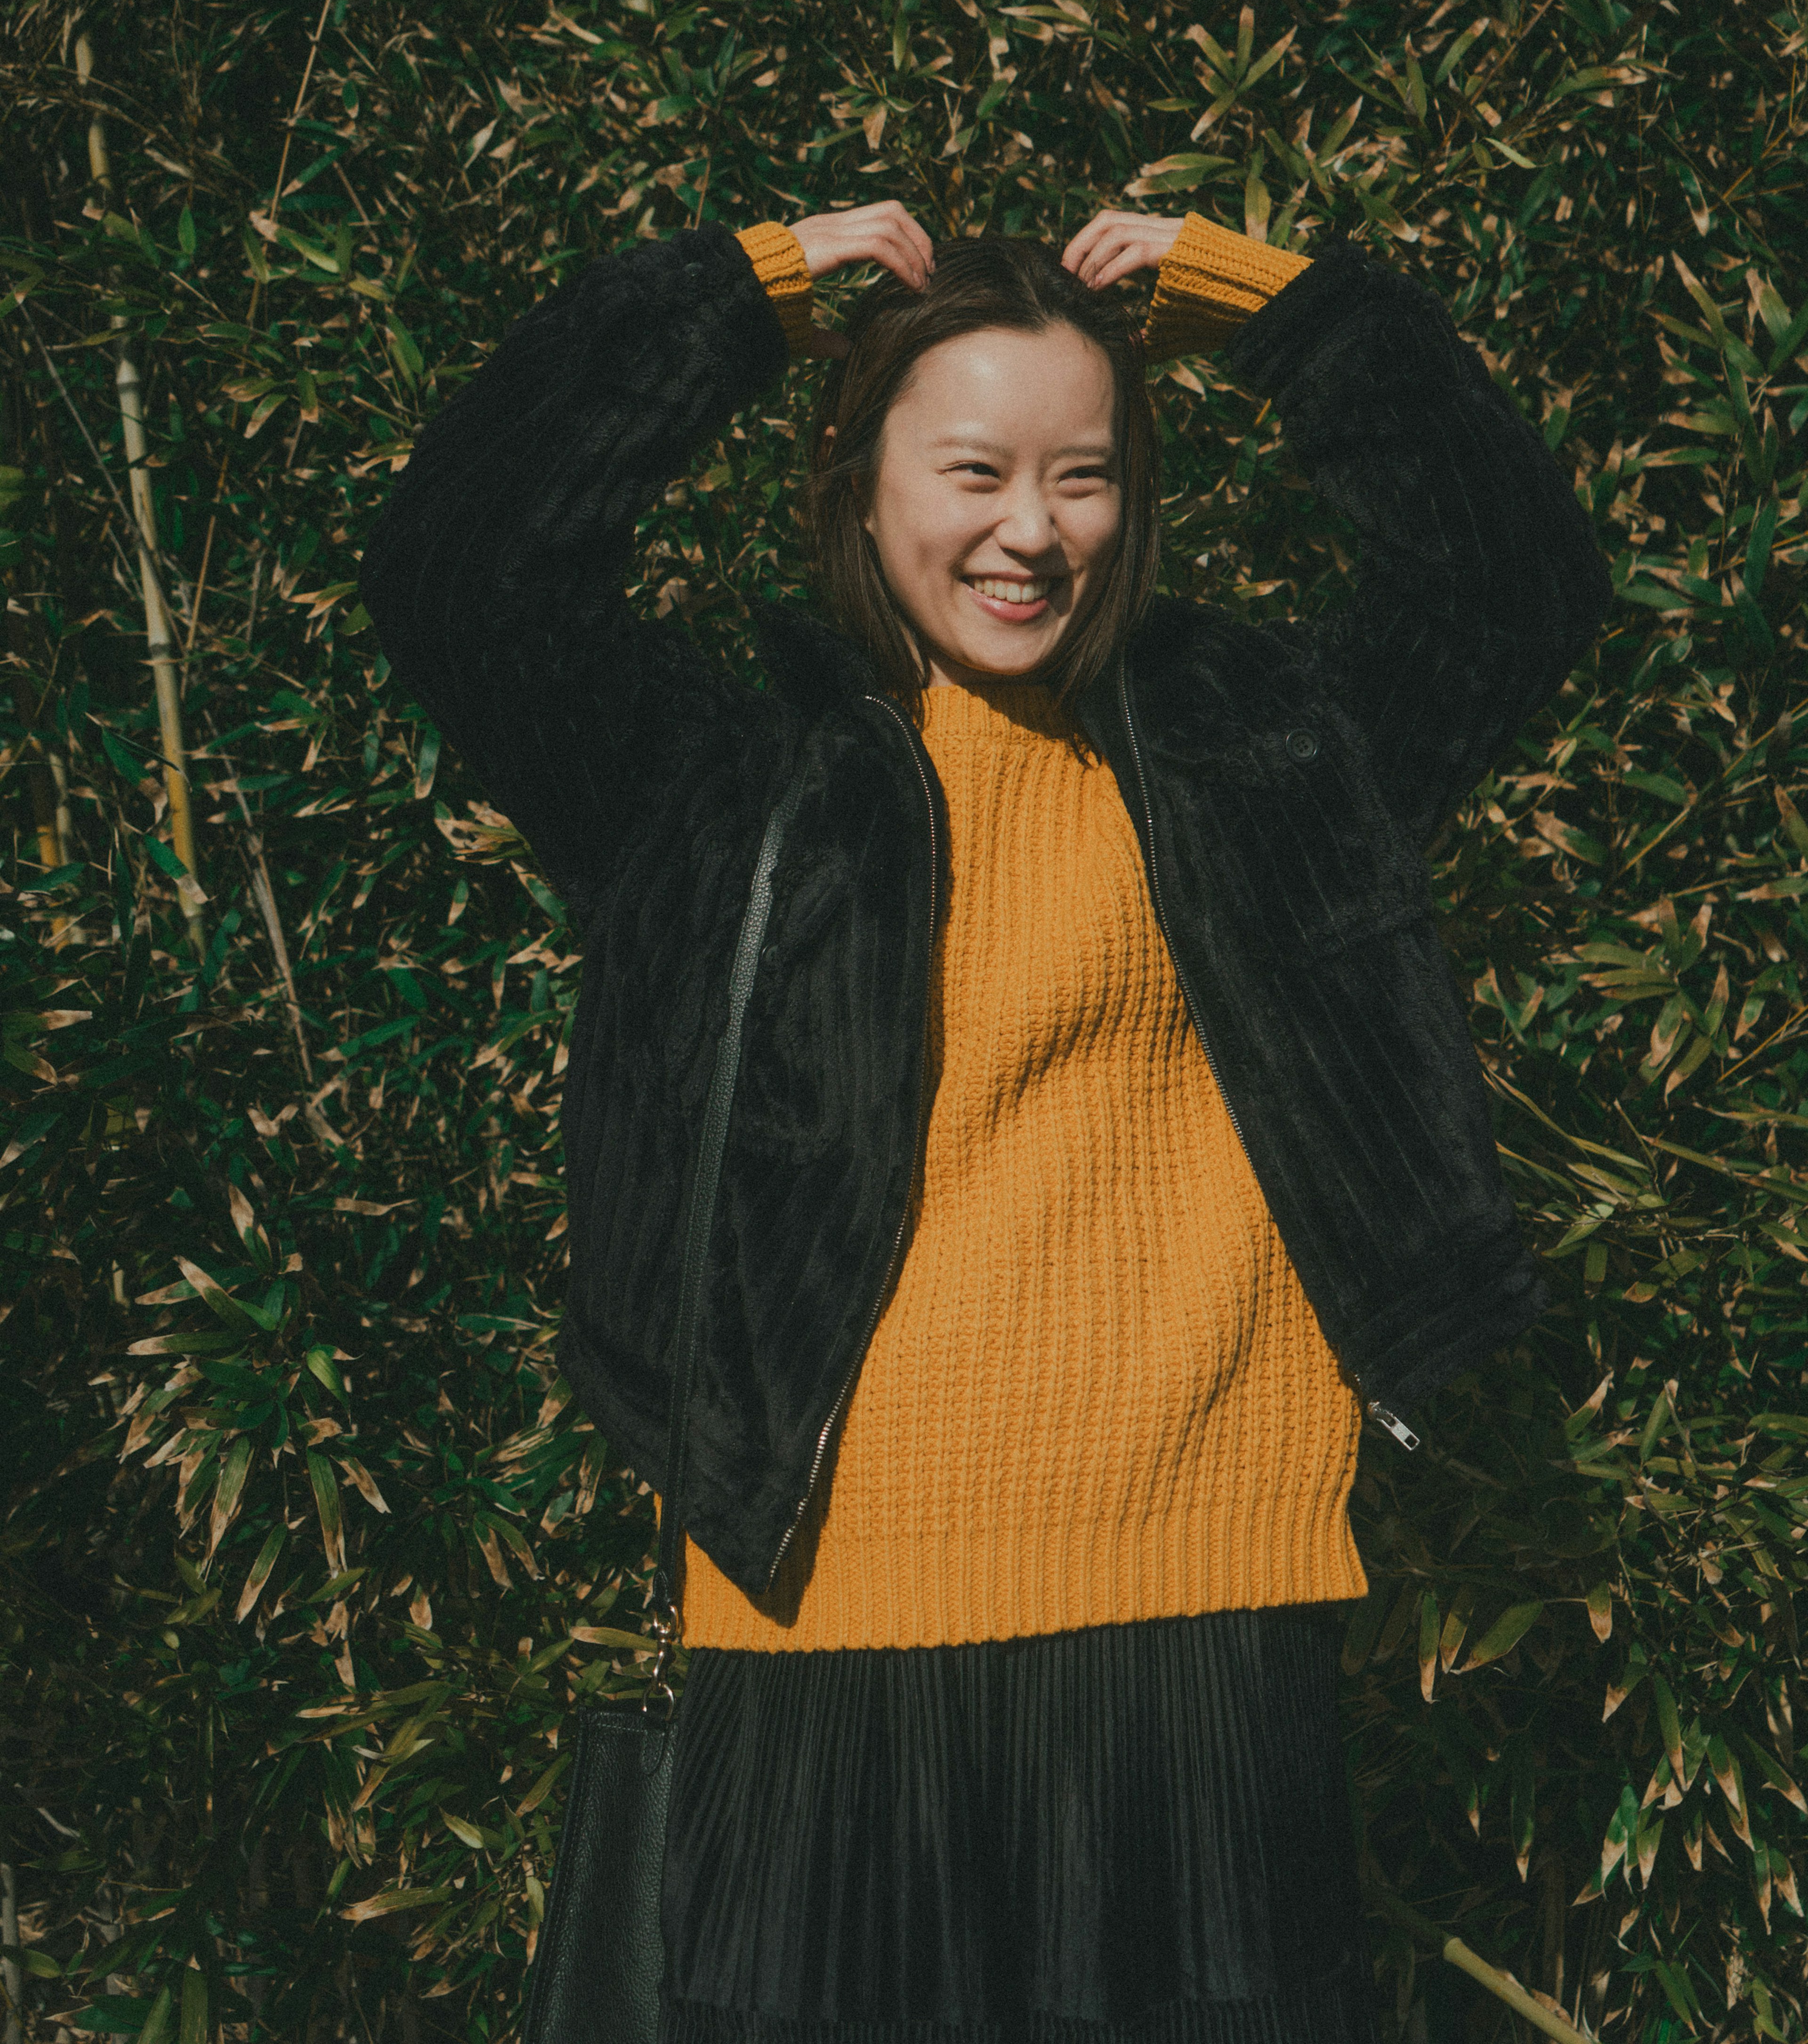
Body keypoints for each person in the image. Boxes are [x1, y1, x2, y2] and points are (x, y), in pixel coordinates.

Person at [359, 198, 1612, 2043]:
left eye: (1084, 476)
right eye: (973, 470)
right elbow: (465, 567)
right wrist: (744, 297)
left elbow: (1513, 582)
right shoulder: (723, 791)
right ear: (864, 486)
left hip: (1200, 1620)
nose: (1031, 528)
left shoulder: (1265, 758)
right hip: (816, 1622)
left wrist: (1270, 312)